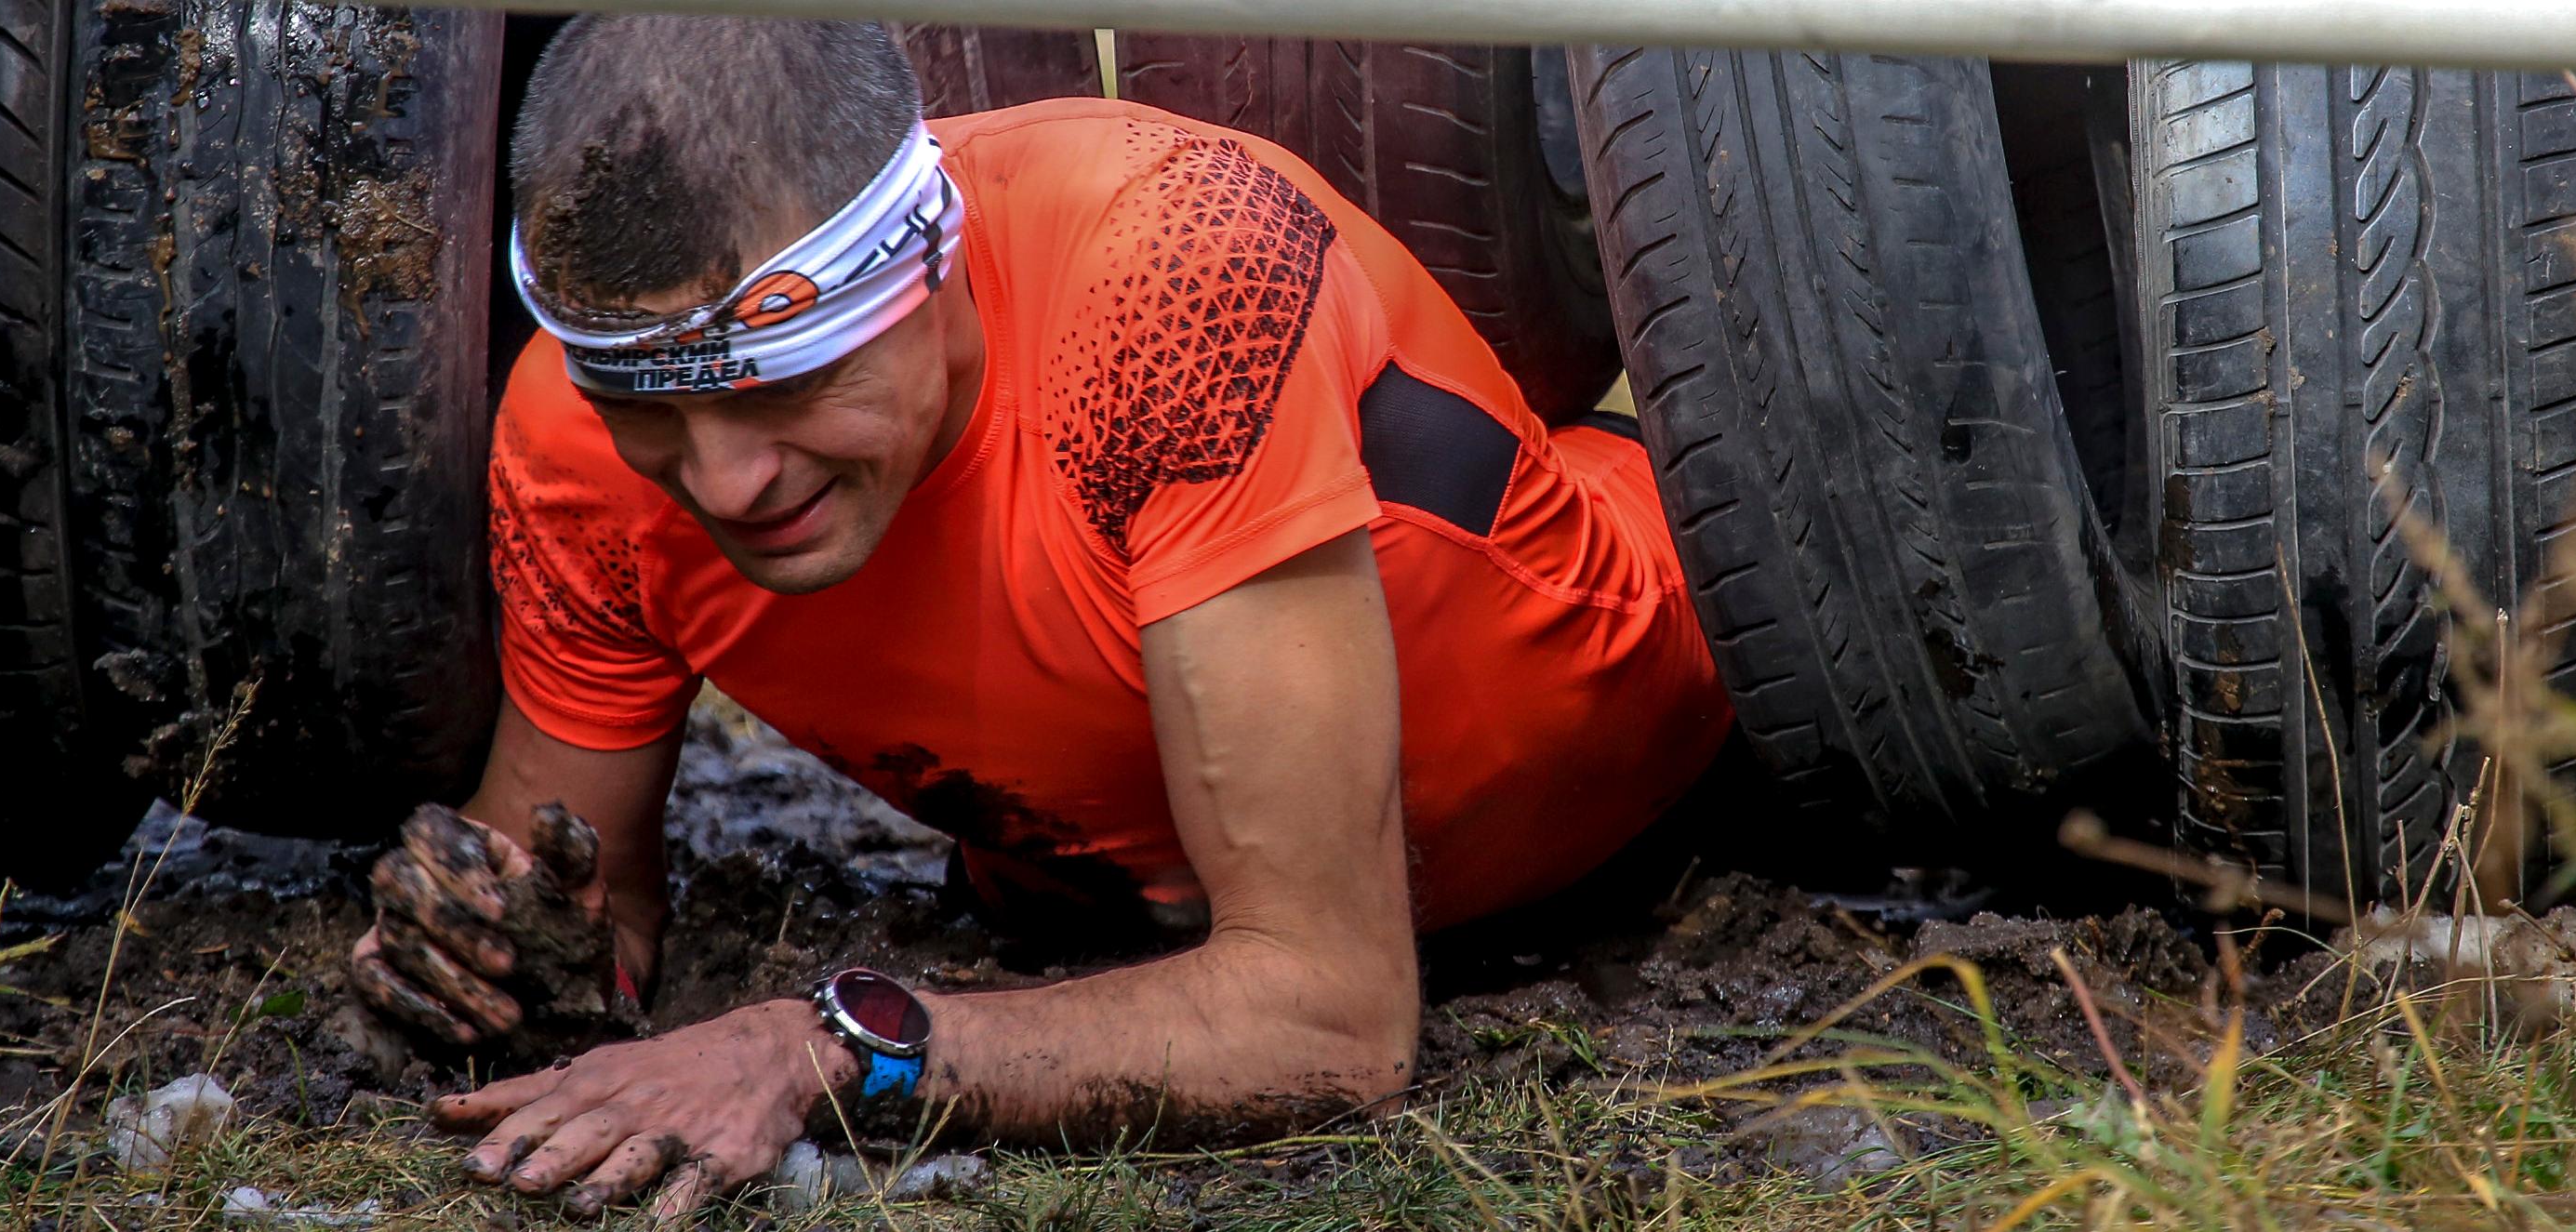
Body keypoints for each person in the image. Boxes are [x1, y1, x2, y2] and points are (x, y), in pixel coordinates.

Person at [345, 15, 1730, 1221]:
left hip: (1668, 713)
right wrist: (475, 949)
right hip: (1122, 892)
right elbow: (572, 909)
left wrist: (823, 1048)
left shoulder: (1173, 282)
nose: (723, 480)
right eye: (651, 408)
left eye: (783, 385)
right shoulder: (573, 450)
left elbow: (1333, 1016)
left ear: (932, 255)